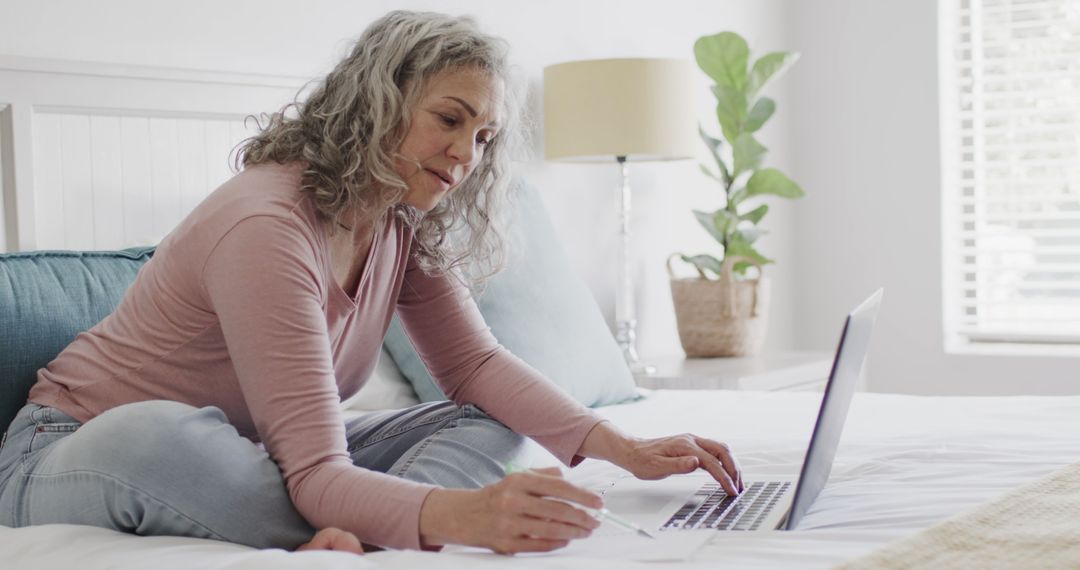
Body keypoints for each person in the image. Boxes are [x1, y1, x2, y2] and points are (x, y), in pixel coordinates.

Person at [0, 10, 742, 555]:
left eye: (482, 138)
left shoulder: (398, 216)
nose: (465, 155)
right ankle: (393, 524)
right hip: (71, 448)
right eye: (448, 120)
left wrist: (623, 445)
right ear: (376, 104)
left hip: (256, 456)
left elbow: (476, 366)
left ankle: (365, 531)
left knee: (484, 413)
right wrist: (465, 516)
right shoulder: (268, 226)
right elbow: (317, 468)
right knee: (156, 433)